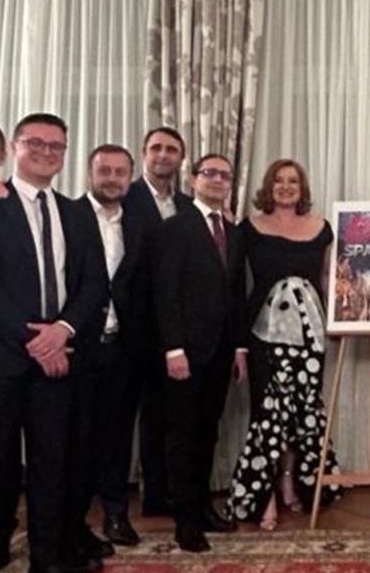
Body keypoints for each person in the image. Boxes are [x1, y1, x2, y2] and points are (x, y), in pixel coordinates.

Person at [0, 113, 107, 573]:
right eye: (35, 143)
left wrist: (63, 331)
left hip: (59, 359)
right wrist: (35, 340)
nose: (46, 152)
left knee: (53, 467)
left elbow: (94, 284)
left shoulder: (76, 213)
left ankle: (48, 558)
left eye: (56, 146)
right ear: (15, 148)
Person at [226, 159, 342, 530]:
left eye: (293, 180)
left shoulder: (323, 228)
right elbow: (235, 288)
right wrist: (238, 345)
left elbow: (328, 281)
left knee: (302, 412)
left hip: (310, 338)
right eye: (279, 180)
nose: (286, 186)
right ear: (269, 186)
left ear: (302, 188)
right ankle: (265, 496)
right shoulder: (249, 228)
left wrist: (341, 321)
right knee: (268, 415)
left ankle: (290, 481)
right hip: (263, 337)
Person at [154, 154, 249, 553]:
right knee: (183, 437)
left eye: (225, 175)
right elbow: (165, 292)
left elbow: (235, 294)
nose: (217, 180)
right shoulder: (175, 228)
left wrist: (239, 347)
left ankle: (204, 508)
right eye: (209, 173)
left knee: (208, 434)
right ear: (193, 180)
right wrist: (173, 348)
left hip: (221, 352)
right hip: (185, 353)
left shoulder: (233, 231)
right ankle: (186, 522)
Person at [60, 144, 137, 561]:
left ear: (130, 177)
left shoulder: (138, 221)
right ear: (90, 173)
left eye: (120, 172)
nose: (112, 179)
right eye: (104, 170)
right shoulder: (66, 216)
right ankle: (73, 524)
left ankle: (115, 514)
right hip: (77, 346)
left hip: (122, 347)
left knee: (118, 436)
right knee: (76, 440)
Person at [115, 126, 195, 523]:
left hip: (175, 329)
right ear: (144, 153)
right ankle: (124, 503)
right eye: (156, 148)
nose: (163, 155)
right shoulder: (124, 197)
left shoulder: (187, 205)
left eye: (171, 149)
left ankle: (161, 493)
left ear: (181, 158)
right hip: (131, 327)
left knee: (166, 415)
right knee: (128, 418)